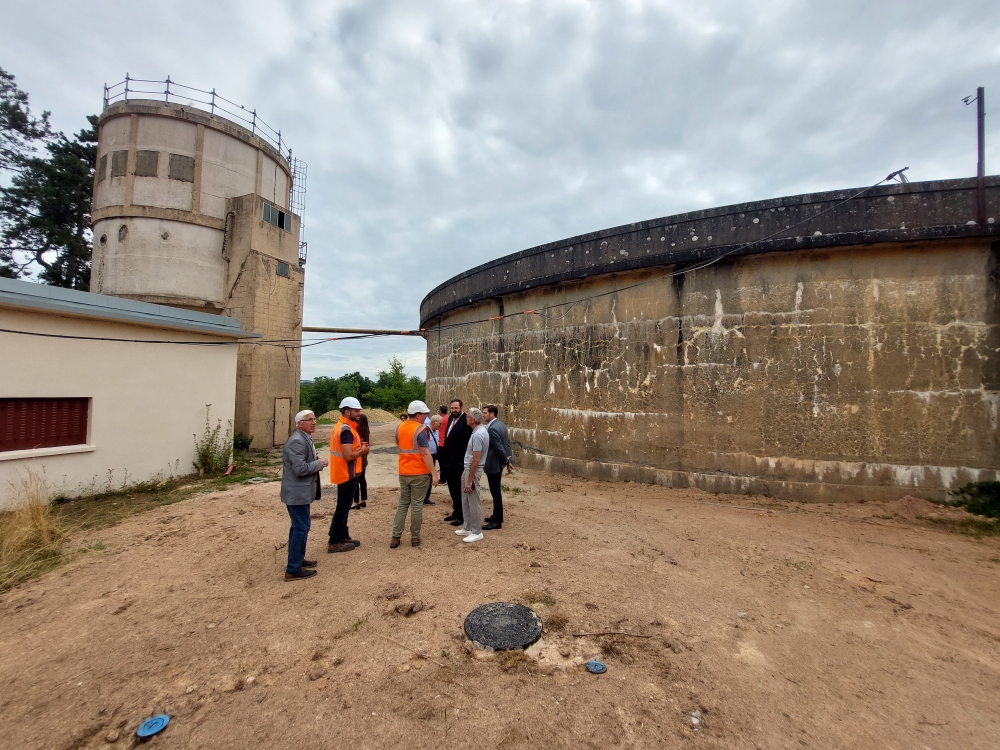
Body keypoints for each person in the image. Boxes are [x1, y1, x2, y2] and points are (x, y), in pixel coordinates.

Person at [280, 410, 329, 580]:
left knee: (299, 527)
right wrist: (319, 463)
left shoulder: (304, 438)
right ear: (300, 424)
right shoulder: (297, 441)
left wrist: (315, 460)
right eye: (309, 420)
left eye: (314, 419)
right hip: (297, 493)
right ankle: (293, 569)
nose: (314, 422)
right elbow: (299, 469)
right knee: (301, 527)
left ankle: (297, 560)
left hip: (301, 493)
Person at [391, 401, 439, 548]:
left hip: (404, 471)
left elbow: (399, 443)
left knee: (403, 504)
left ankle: (396, 537)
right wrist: (434, 474)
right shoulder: (421, 430)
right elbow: (425, 453)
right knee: (417, 505)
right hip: (419, 472)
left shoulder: (400, 426)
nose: (426, 417)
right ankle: (415, 537)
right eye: (425, 414)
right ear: (418, 415)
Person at [328, 397, 369, 553]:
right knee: (343, 508)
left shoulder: (345, 427)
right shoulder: (346, 430)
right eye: (356, 411)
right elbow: (347, 455)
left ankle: (343, 536)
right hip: (347, 473)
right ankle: (334, 541)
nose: (359, 413)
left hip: (345, 472)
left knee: (344, 507)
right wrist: (362, 451)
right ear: (347, 412)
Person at [455, 407, 489, 543]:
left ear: (473, 420)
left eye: (468, 416)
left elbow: (476, 459)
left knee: (474, 501)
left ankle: (477, 531)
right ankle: (467, 527)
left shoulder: (478, 435)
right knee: (466, 499)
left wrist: (470, 480)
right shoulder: (477, 432)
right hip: (468, 469)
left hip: (472, 470)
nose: (466, 418)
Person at [439, 399, 473, 526]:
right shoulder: (450, 419)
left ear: (461, 408)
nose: (454, 410)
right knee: (452, 488)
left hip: (458, 463)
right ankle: (456, 511)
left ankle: (461, 516)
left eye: (456, 408)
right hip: (448, 461)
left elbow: (466, 444)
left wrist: (461, 462)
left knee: (458, 490)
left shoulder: (465, 421)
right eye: (452, 408)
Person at [482, 404, 513, 530]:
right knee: (496, 491)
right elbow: (507, 443)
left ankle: (497, 521)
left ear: (492, 414)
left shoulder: (493, 429)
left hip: (494, 464)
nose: (483, 415)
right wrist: (508, 459)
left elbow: (499, 448)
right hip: (498, 464)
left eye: (485, 413)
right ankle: (496, 516)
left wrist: (507, 460)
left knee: (495, 492)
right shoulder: (501, 425)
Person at [351, 413, 370, 510]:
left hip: (358, 457)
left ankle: (356, 502)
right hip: (364, 458)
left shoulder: (356, 431)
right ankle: (363, 500)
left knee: (355, 479)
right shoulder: (366, 431)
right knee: (362, 479)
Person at [422, 413, 442, 505]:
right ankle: (421, 497)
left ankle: (426, 497)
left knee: (429, 477)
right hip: (426, 457)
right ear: (434, 422)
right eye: (440, 423)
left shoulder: (436, 431)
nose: (441, 425)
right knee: (424, 477)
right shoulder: (425, 431)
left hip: (433, 456)